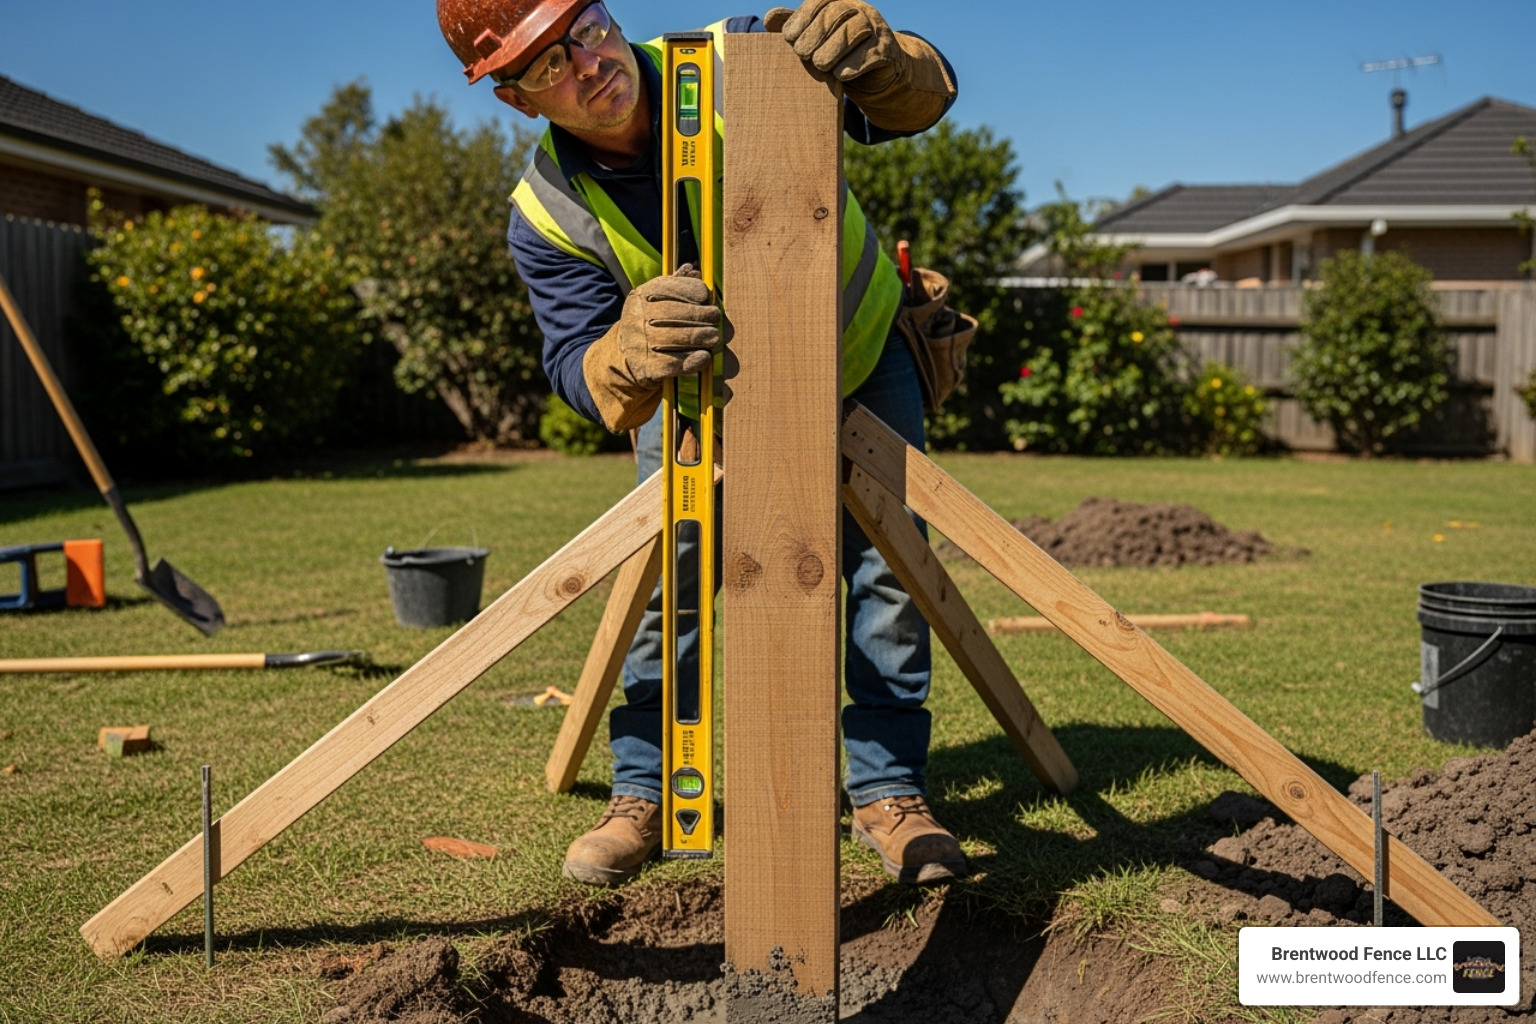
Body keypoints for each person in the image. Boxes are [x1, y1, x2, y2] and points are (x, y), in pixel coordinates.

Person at [438, 0, 965, 887]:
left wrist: (887, 60)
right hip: (695, 400)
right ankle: (645, 791)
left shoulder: (742, 59)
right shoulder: (547, 211)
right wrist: (623, 352)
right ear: (517, 98)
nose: (588, 61)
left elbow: (917, 101)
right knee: (666, 585)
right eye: (548, 64)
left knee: (889, 574)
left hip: (861, 354)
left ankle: (886, 790)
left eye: (590, 29)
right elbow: (576, 367)